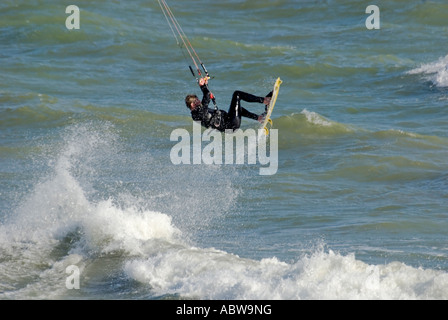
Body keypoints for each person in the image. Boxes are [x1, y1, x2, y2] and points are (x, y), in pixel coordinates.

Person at [185, 77, 272, 132]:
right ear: (192, 105)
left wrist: (205, 86)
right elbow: (206, 96)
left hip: (229, 122)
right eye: (196, 101)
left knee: (238, 109)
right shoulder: (197, 114)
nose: (198, 101)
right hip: (230, 124)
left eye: (198, 99)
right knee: (237, 94)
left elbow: (206, 98)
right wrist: (202, 86)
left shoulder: (198, 112)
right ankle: (265, 100)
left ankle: (260, 118)